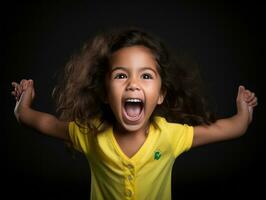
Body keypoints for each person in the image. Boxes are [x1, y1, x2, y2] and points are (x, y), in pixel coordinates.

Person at [11, 27, 258, 200]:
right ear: (105, 93)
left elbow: (232, 127)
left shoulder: (170, 136)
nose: (133, 84)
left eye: (146, 75)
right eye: (121, 75)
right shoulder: (90, 134)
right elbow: (39, 121)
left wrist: (244, 110)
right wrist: (24, 102)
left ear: (161, 94)